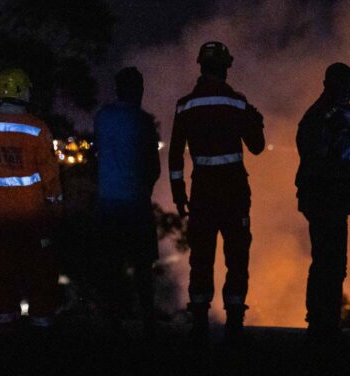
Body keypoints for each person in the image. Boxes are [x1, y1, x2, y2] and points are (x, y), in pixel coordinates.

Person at [168, 41, 265, 340]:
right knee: (236, 257)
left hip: (202, 194)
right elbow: (257, 147)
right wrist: (256, 121)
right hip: (234, 193)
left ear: (201, 65)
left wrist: (179, 194)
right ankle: (234, 324)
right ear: (225, 67)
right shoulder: (238, 103)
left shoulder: (185, 105)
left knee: (202, 259)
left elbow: (174, 155)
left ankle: (199, 322)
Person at [0, 68, 63, 339]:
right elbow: (51, 179)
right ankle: (40, 337)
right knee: (40, 278)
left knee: (2, 278)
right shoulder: (37, 128)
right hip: (31, 217)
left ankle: (4, 339)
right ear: (22, 90)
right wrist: (56, 212)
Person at [295, 62, 350, 342]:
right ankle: (320, 324)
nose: (348, 91)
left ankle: (327, 321)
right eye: (343, 85)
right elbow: (319, 165)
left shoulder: (343, 114)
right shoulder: (320, 117)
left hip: (335, 197)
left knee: (333, 263)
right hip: (322, 198)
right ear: (329, 85)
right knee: (326, 261)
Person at [93, 67, 161, 329]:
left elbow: (99, 152)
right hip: (135, 203)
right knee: (143, 266)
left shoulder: (102, 117)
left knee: (112, 266)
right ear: (138, 90)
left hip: (107, 202)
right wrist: (145, 189)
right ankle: (148, 322)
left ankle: (113, 322)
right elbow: (153, 167)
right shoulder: (143, 121)